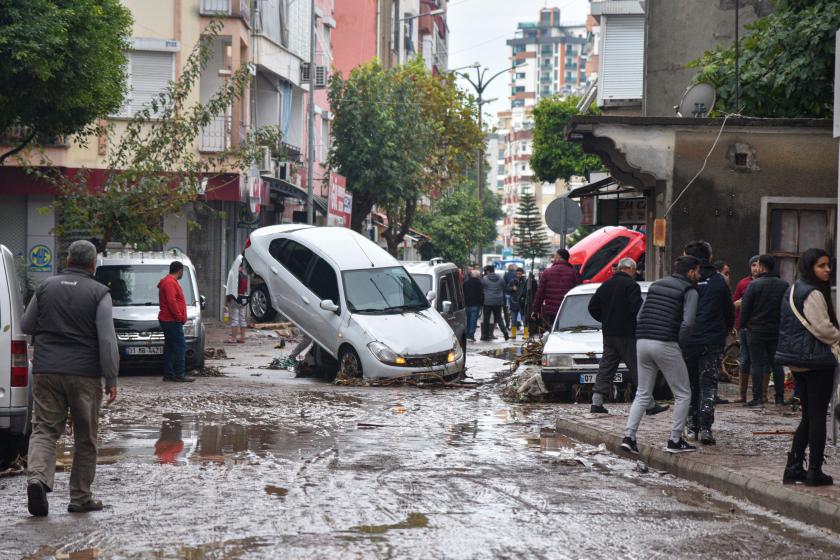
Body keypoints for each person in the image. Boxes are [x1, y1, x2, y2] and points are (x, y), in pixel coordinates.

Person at [22, 240, 119, 516]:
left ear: (67, 261)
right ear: (93, 264)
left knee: (44, 430)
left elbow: (26, 324)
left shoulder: (44, 287)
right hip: (84, 375)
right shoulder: (100, 293)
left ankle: (38, 479)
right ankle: (80, 497)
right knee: (85, 437)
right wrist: (111, 378)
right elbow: (107, 340)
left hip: (45, 371)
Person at [621, 255, 700, 455]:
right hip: (665, 342)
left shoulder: (656, 285)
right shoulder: (690, 290)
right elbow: (688, 323)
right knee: (683, 393)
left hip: (642, 340)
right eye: (698, 271)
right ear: (691, 272)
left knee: (643, 392)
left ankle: (629, 437)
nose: (699, 275)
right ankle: (675, 440)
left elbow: (640, 315)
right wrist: (679, 344)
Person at [775, 248, 839, 486]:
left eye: (828, 265)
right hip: (816, 362)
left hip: (798, 360)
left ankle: (793, 467)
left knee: (808, 417)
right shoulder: (812, 292)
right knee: (817, 417)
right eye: (821, 266)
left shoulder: (793, 289)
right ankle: (814, 470)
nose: (827, 270)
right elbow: (822, 328)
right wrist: (837, 337)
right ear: (810, 267)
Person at [588, 258, 669, 416]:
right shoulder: (631, 286)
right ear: (629, 269)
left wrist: (606, 320)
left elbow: (592, 307)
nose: (635, 273)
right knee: (638, 368)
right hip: (627, 334)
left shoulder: (605, 285)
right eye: (634, 270)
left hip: (609, 334)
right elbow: (638, 309)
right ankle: (649, 404)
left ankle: (596, 402)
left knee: (606, 367)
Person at [682, 241, 734, 445]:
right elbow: (728, 310)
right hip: (712, 341)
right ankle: (705, 428)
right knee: (708, 384)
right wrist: (725, 330)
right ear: (710, 258)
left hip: (689, 341)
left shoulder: (684, 279)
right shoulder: (718, 281)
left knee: (690, 384)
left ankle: (692, 425)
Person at [740, 254, 789, 407]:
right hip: (776, 330)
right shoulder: (784, 285)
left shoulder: (754, 285)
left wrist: (742, 325)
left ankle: (757, 398)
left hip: (755, 330)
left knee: (757, 364)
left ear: (761, 266)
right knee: (777, 364)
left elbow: (745, 309)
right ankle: (779, 398)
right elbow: (787, 309)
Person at [158, 261, 194, 383]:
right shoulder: (170, 283)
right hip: (171, 319)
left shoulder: (170, 282)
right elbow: (171, 301)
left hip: (169, 319)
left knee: (170, 347)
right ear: (180, 271)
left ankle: (168, 374)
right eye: (182, 271)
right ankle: (179, 374)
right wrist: (178, 315)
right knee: (180, 346)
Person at [732, 256, 760, 402]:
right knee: (745, 359)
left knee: (760, 361)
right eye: (753, 265)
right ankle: (742, 395)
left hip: (760, 328)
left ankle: (759, 395)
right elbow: (734, 305)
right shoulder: (743, 283)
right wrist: (736, 325)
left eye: (758, 265)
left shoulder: (767, 283)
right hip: (744, 327)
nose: (756, 268)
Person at [532, 249, 581, 332]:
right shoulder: (574, 272)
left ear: (558, 257)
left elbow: (540, 294)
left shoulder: (547, 272)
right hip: (569, 311)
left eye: (555, 256)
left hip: (552, 312)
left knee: (554, 332)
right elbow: (579, 292)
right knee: (567, 333)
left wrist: (535, 310)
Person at [225, 254, 249, 344]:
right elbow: (245, 289)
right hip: (243, 299)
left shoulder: (235, 275)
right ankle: (242, 337)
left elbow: (231, 288)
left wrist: (228, 299)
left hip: (235, 298)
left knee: (234, 319)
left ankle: (233, 338)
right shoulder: (245, 276)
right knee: (242, 318)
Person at [481, 265, 509, 341]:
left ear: (488, 271)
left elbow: (481, 287)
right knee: (499, 318)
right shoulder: (500, 279)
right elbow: (505, 287)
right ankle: (505, 332)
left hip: (487, 301)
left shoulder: (485, 278)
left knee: (486, 319)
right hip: (498, 301)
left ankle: (486, 336)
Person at [463, 268, 483, 342]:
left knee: (467, 319)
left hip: (467, 303)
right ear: (478, 276)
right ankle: (471, 334)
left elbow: (463, 293)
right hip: (475, 304)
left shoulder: (466, 282)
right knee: (473, 320)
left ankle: (467, 333)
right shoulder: (479, 283)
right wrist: (481, 304)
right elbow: (481, 295)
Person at [508, 268, 527, 336]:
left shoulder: (525, 281)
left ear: (522, 274)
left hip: (522, 303)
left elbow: (527, 291)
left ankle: (525, 334)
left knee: (524, 319)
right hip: (514, 302)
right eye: (517, 274)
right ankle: (513, 334)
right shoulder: (512, 281)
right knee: (513, 319)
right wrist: (512, 288)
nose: (518, 275)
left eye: (520, 274)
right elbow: (507, 289)